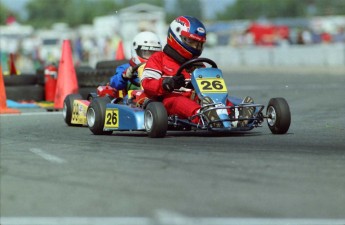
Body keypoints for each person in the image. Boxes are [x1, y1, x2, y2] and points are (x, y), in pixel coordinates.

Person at [141, 16, 253, 128]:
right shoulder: (158, 58)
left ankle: (235, 116)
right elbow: (147, 84)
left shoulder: (198, 64)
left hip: (197, 99)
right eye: (192, 41)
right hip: (168, 100)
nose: (195, 47)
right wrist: (167, 83)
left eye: (198, 43)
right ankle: (203, 116)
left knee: (218, 97)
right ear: (175, 36)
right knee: (179, 101)